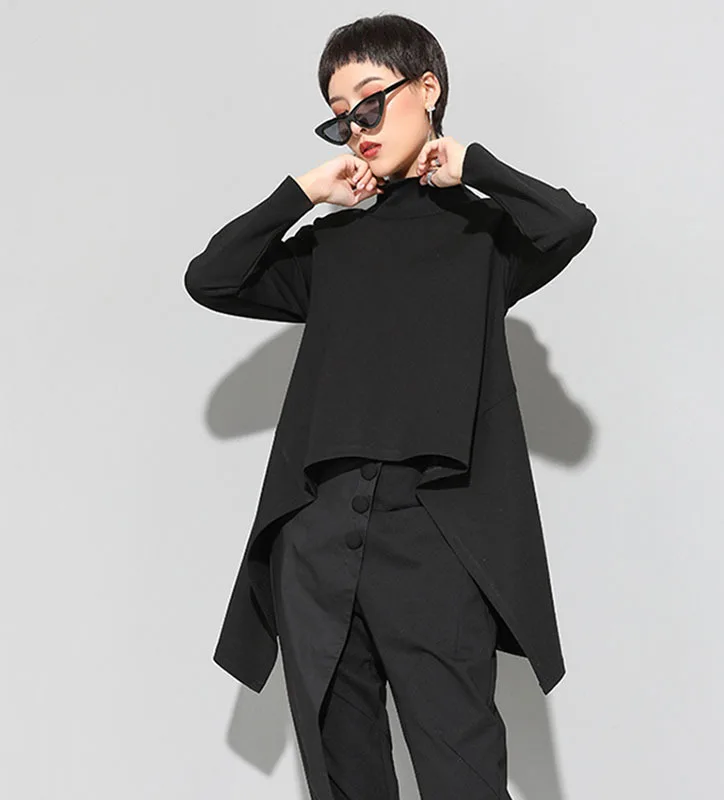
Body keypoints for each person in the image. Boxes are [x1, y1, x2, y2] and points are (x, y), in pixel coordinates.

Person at [184, 13, 597, 800]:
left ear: (428, 88)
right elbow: (212, 278)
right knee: (344, 780)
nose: (357, 128)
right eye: (340, 117)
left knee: (462, 776)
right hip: (318, 535)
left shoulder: (485, 237)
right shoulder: (332, 245)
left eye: (370, 102)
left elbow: (568, 224)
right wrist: (308, 191)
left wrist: (473, 165)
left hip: (435, 535)